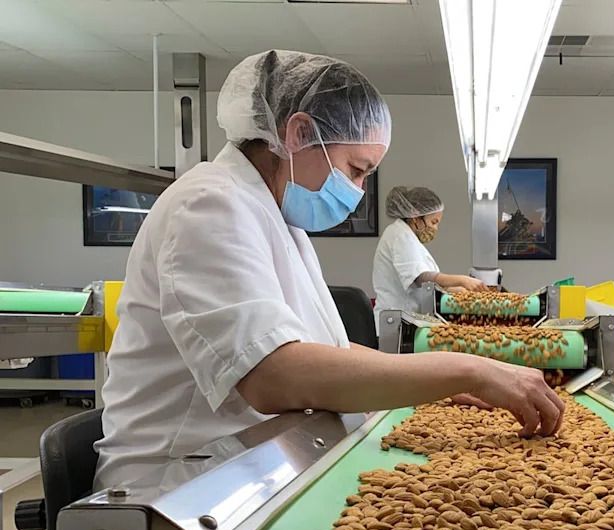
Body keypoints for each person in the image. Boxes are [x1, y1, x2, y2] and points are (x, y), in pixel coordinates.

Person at [93, 51, 563, 490]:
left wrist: (431, 384)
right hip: (181, 487)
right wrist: (468, 369)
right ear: (298, 134)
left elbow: (328, 353)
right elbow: (272, 375)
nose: (358, 190)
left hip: (255, 460)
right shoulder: (208, 205)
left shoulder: (280, 222)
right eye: (356, 170)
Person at [372, 186, 486, 331]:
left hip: (408, 321)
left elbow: (426, 286)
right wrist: (463, 280)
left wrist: (455, 290)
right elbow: (422, 278)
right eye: (433, 222)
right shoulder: (400, 235)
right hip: (396, 326)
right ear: (416, 219)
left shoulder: (409, 238)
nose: (436, 228)